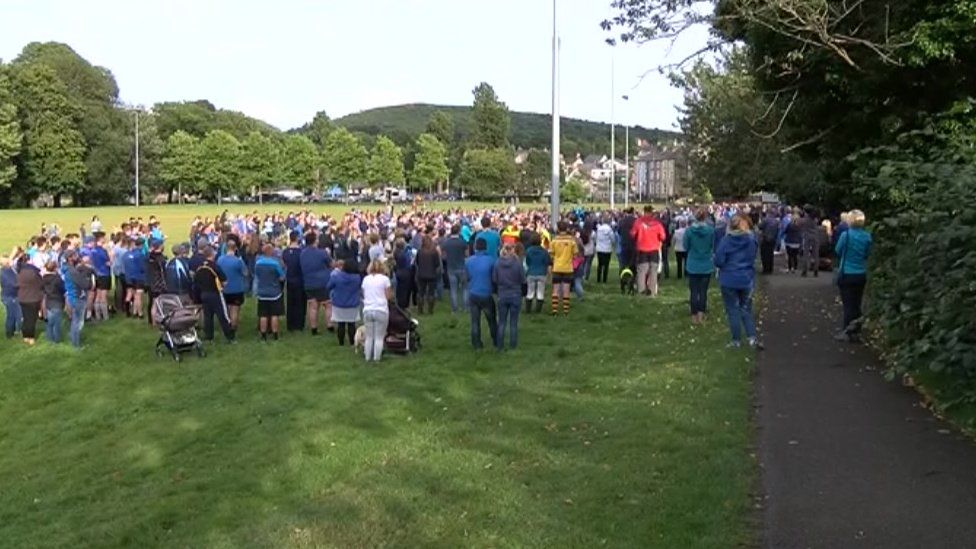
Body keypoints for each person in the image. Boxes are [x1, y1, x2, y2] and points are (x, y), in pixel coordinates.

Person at [714, 214, 763, 349]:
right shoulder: (751, 240)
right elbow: (753, 257)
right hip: (746, 278)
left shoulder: (726, 241)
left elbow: (719, 261)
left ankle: (736, 341)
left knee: (732, 310)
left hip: (729, 278)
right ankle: (752, 338)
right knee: (746, 308)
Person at [834, 209, 872, 343]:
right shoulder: (867, 236)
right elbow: (867, 254)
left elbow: (838, 250)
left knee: (848, 305)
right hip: (860, 273)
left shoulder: (846, 235)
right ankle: (857, 331)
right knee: (857, 304)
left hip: (847, 273)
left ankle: (847, 331)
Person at [196, 246, 236, 343]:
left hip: (204, 294)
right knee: (223, 315)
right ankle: (229, 337)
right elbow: (225, 281)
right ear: (212, 254)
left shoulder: (199, 266)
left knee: (208, 316)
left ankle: (209, 337)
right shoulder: (215, 266)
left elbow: (196, 280)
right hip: (215, 294)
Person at [684, 209, 715, 325]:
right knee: (703, 291)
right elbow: (713, 245)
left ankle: (694, 317)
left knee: (693, 291)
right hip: (706, 264)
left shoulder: (689, 231)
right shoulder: (711, 231)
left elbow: (685, 246)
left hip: (693, 264)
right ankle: (701, 315)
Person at [466, 238, 498, 349]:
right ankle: (496, 340)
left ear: (475, 247)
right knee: (491, 320)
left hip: (473, 293)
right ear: (485, 247)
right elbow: (494, 278)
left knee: (475, 321)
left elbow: (467, 277)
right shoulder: (491, 260)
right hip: (486, 293)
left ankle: (476, 344)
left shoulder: (468, 261)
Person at [493, 243, 526, 350]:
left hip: (502, 294)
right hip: (515, 293)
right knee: (513, 322)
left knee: (502, 322)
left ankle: (500, 345)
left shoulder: (497, 263)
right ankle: (513, 345)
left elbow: (494, 279)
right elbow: (522, 279)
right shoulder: (517, 263)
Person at [300, 233, 332, 335]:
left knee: (313, 306)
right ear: (315, 241)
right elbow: (331, 264)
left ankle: (314, 328)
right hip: (323, 282)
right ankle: (329, 326)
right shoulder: (322, 253)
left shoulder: (302, 253)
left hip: (309, 282)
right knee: (328, 305)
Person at [631, 206, 667, 297]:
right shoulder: (657, 224)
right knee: (653, 271)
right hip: (654, 249)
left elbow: (632, 234)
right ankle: (652, 291)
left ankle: (641, 290)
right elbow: (663, 237)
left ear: (644, 212)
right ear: (651, 213)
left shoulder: (638, 222)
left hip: (642, 249)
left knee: (642, 271)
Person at [361, 259, 392, 362]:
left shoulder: (365, 279)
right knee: (379, 337)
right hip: (381, 309)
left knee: (369, 337)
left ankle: (367, 358)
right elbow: (388, 296)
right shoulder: (385, 279)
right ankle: (376, 359)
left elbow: (364, 293)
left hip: (368, 309)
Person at [253, 244, 286, 341]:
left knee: (263, 314)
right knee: (274, 314)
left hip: (262, 292)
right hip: (274, 292)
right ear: (271, 252)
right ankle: (275, 334)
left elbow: (257, 275)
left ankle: (263, 335)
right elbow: (282, 276)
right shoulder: (275, 263)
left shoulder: (258, 263)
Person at [63, 251, 94, 348]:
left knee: (75, 320)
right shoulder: (73, 271)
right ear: (70, 258)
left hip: (72, 296)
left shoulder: (68, 269)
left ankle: (73, 337)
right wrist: (89, 280)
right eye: (75, 256)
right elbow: (84, 284)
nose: (78, 257)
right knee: (78, 322)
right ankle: (76, 344)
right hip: (77, 297)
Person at [328, 258, 362, 347]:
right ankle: (351, 342)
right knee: (352, 324)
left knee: (340, 324)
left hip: (339, 303)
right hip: (352, 304)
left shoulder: (336, 277)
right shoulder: (357, 278)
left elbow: (328, 286)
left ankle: (341, 343)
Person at [217, 240, 248, 331]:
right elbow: (245, 273)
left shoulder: (220, 260)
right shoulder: (238, 261)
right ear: (235, 249)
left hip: (224, 289)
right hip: (237, 289)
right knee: (235, 309)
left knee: (227, 308)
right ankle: (233, 327)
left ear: (226, 248)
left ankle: (227, 324)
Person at [549, 221, 578, 315]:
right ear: (566, 229)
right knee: (566, 290)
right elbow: (576, 254)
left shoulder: (554, 241)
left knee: (555, 290)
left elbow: (551, 254)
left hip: (557, 267)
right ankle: (565, 311)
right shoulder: (572, 241)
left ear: (558, 229)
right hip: (568, 268)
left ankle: (554, 311)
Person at [440, 224, 468, 314]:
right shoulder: (462, 242)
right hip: (462, 267)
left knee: (453, 289)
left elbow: (443, 255)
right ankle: (465, 307)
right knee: (465, 288)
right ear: (459, 232)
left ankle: (454, 309)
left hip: (451, 267)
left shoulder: (446, 242)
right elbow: (467, 254)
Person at [281, 231, 306, 332]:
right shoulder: (301, 252)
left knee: (290, 303)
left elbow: (284, 265)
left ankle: (290, 324)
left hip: (290, 279)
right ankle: (299, 324)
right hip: (300, 280)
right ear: (297, 238)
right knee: (300, 303)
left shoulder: (285, 252)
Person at [16, 256, 43, 345]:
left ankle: (25, 336)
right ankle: (30, 337)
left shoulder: (19, 271)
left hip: (22, 298)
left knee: (26, 318)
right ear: (28, 261)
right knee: (32, 319)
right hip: (33, 298)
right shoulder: (34, 272)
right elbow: (41, 284)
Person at [414, 235, 441, 315]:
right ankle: (430, 310)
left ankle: (420, 310)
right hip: (432, 274)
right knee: (431, 293)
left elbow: (417, 262)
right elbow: (437, 264)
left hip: (421, 274)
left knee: (421, 292)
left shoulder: (420, 251)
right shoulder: (434, 252)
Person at [524, 234, 550, 314]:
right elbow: (547, 262)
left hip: (531, 272)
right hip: (541, 273)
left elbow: (527, 262)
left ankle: (528, 310)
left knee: (530, 292)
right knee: (540, 292)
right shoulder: (544, 251)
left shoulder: (528, 250)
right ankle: (538, 311)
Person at [89, 232, 112, 321]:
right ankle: (105, 315)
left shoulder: (93, 250)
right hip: (104, 274)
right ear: (100, 239)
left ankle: (98, 315)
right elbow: (109, 262)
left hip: (96, 274)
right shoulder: (103, 251)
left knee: (98, 295)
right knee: (103, 296)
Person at [145, 239, 168, 326]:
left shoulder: (149, 257)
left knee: (151, 302)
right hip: (158, 284)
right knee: (157, 303)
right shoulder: (161, 259)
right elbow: (163, 273)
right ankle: (156, 322)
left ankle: (151, 320)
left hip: (150, 282)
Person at [122, 238, 146, 319]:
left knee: (130, 294)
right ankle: (140, 313)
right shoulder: (140, 255)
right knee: (138, 296)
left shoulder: (126, 254)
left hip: (128, 277)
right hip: (138, 277)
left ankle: (131, 311)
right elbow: (143, 267)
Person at [42, 261, 65, 343]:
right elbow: (63, 289)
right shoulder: (57, 279)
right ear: (55, 268)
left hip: (48, 301)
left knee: (49, 322)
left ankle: (49, 339)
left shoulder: (44, 278)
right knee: (56, 323)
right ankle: (56, 339)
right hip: (57, 301)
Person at [1, 253, 21, 338]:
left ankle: (14, 330)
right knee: (11, 315)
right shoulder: (4, 272)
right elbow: (13, 283)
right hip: (9, 296)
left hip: (12, 295)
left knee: (16, 314)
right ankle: (9, 333)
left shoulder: (10, 269)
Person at [799, 206, 821, 277]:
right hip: (815, 236)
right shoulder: (815, 219)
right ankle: (816, 270)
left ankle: (804, 271)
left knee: (805, 254)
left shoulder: (804, 220)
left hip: (807, 237)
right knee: (815, 254)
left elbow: (799, 225)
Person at [758, 211, 780, 275]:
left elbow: (760, 227)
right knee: (770, 254)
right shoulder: (776, 222)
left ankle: (765, 269)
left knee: (764, 254)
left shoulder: (765, 220)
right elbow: (778, 231)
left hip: (765, 238)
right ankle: (770, 268)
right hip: (773, 239)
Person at [594, 215, 614, 284]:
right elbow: (613, 239)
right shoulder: (610, 229)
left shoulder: (599, 229)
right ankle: (604, 279)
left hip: (599, 248)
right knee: (606, 265)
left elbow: (596, 237)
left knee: (600, 264)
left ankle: (598, 279)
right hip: (607, 249)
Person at [783, 209, 802, 273]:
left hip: (789, 242)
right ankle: (795, 268)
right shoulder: (799, 226)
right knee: (795, 256)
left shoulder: (790, 225)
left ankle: (789, 268)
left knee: (790, 256)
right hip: (797, 243)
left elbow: (785, 231)